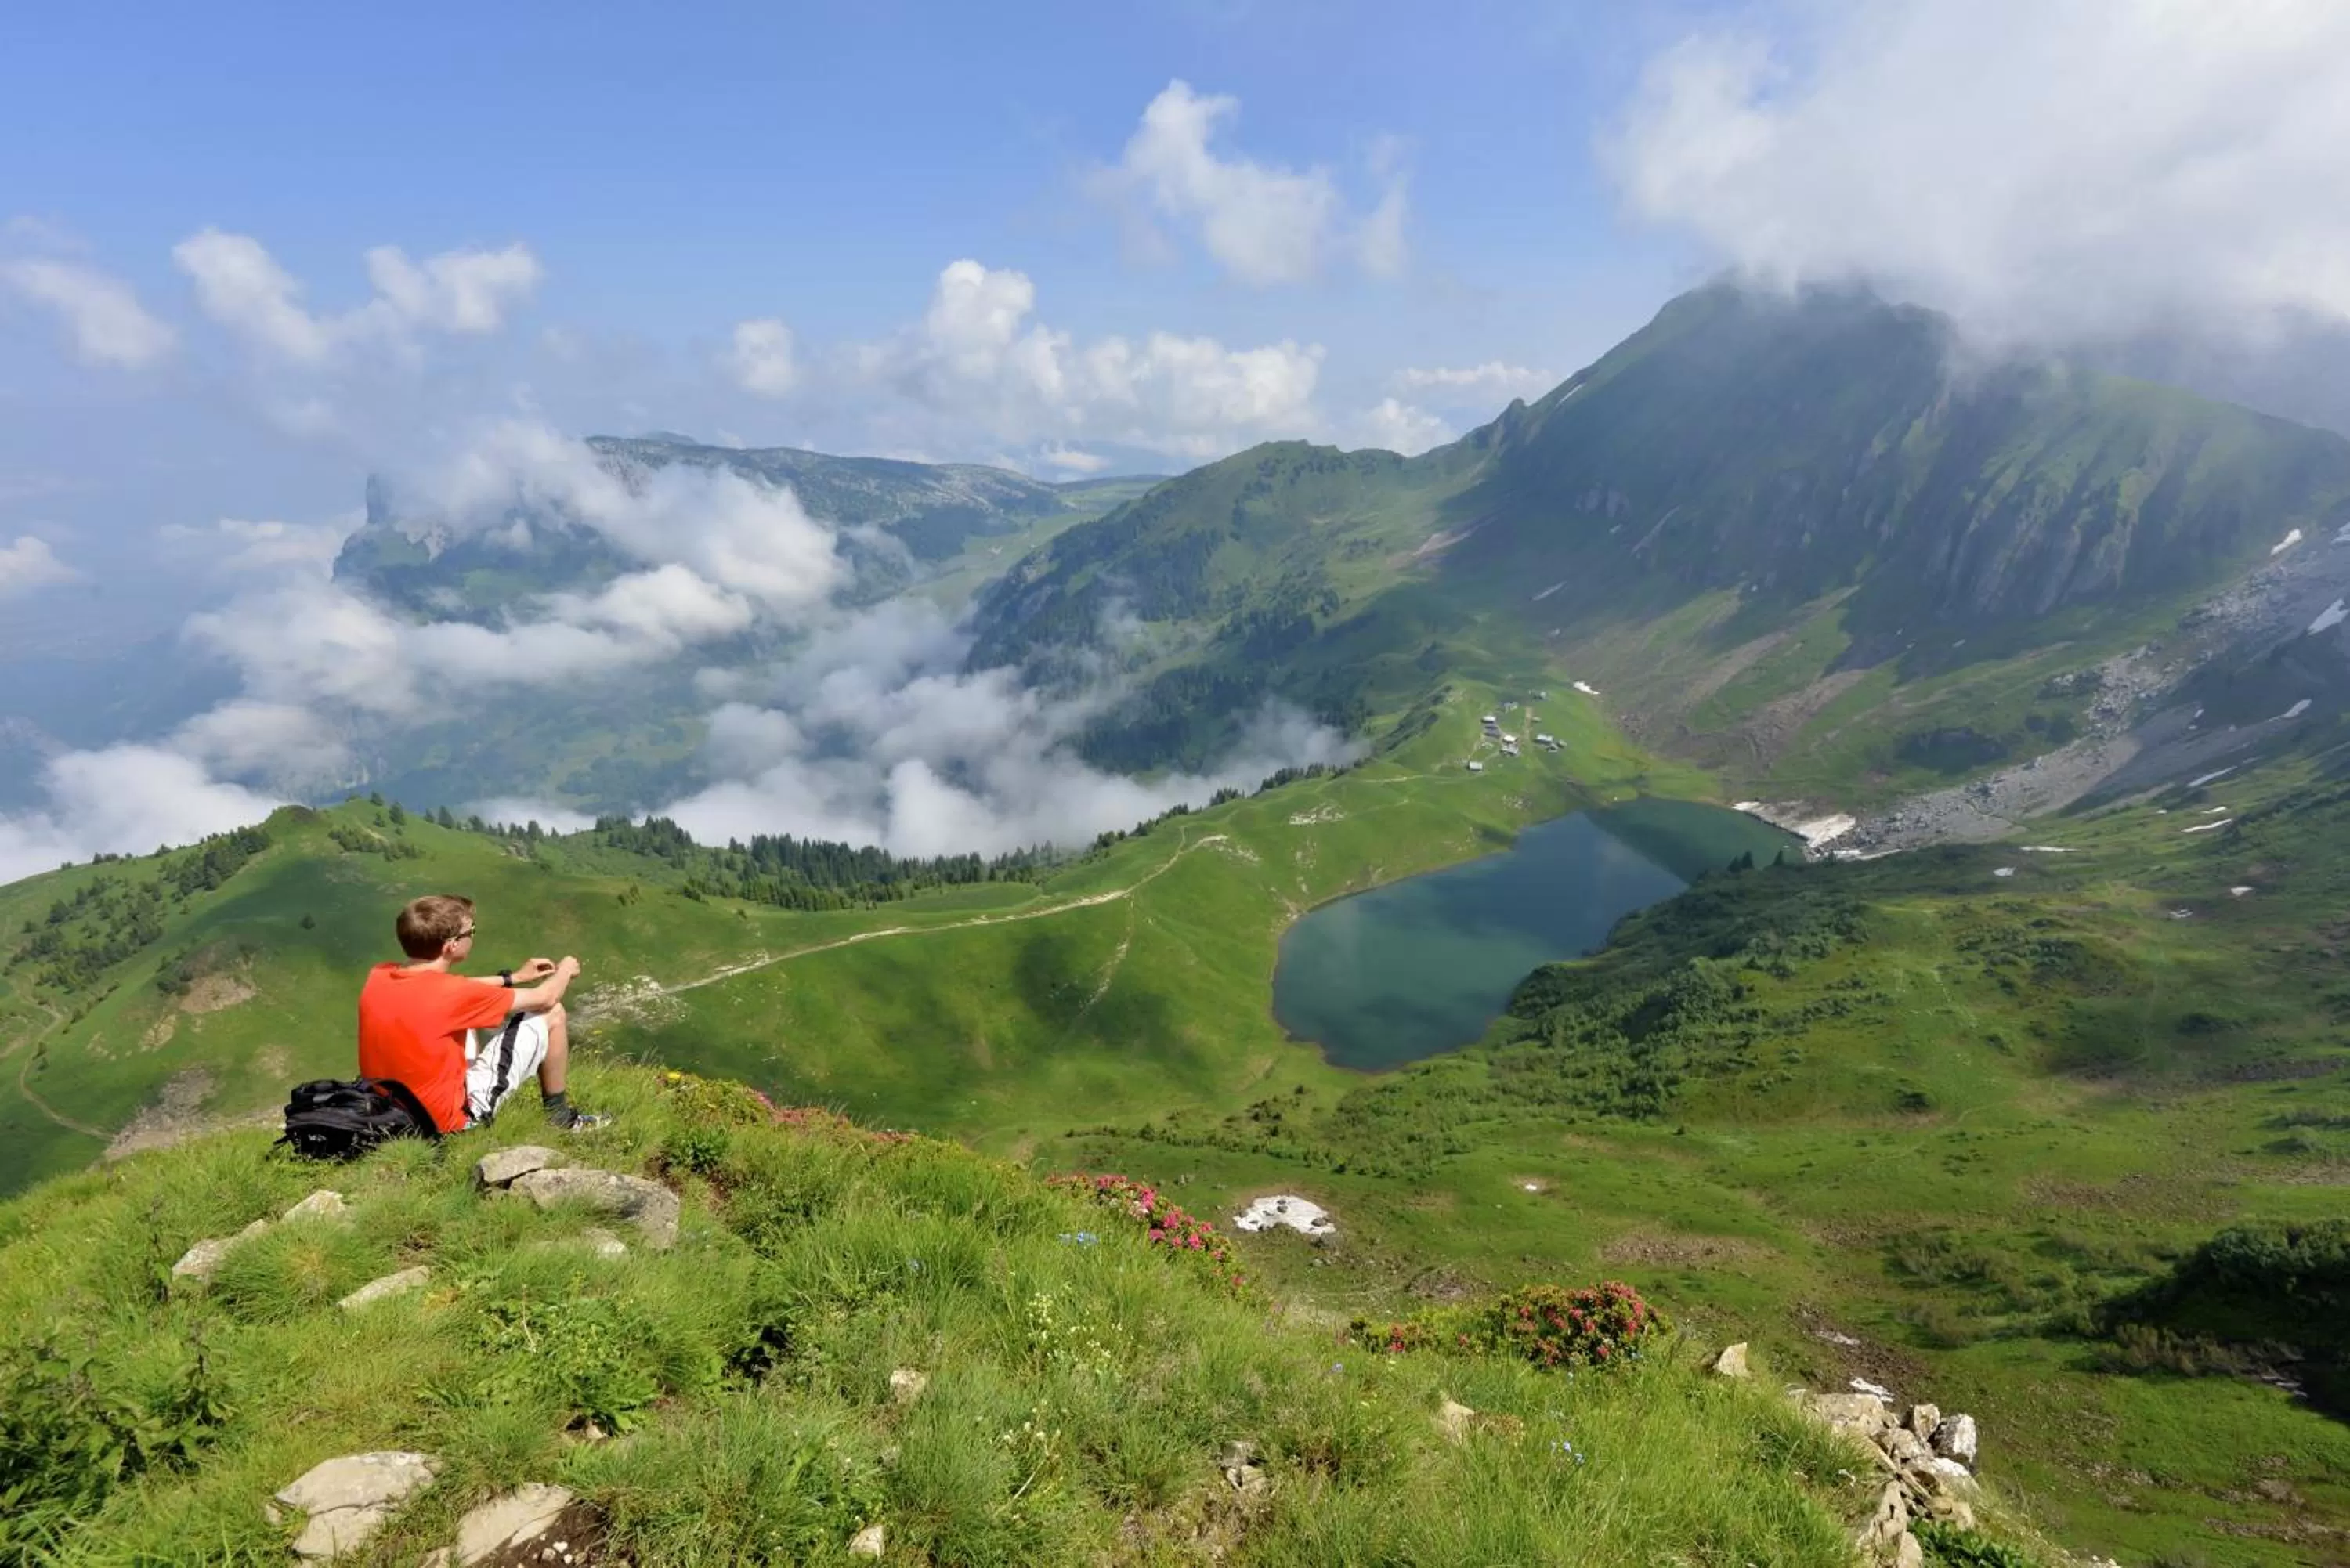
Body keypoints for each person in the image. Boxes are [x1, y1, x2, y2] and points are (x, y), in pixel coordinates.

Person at [356, 893, 605, 1133]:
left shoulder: (379, 976)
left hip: (387, 1111)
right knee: (553, 1013)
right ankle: (562, 1119)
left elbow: (448, 989)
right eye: (471, 932)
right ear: (452, 945)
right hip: (447, 1122)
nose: (473, 937)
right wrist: (566, 970)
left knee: (467, 1023)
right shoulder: (454, 995)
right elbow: (545, 998)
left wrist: (512, 978)